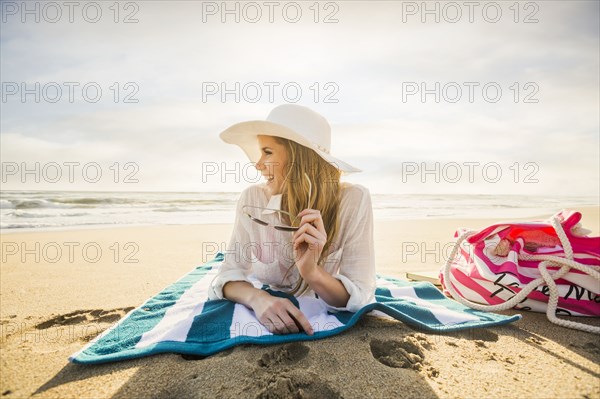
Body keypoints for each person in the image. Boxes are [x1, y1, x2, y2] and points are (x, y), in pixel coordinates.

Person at [208, 104, 376, 336]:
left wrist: (312, 272)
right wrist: (258, 298)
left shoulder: (353, 200)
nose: (257, 165)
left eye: (267, 152)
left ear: (299, 158)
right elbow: (227, 275)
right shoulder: (252, 199)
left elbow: (361, 294)